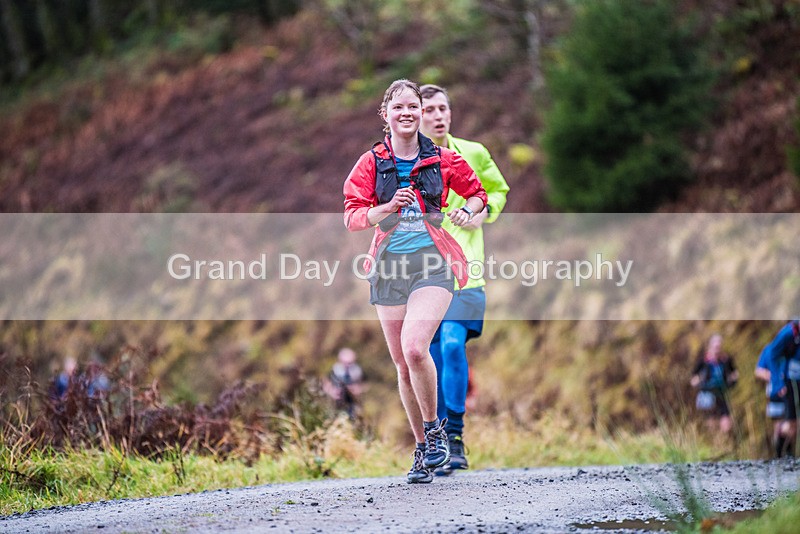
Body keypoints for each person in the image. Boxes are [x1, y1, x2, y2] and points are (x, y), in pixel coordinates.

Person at [343, 79, 487, 484]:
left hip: (432, 265)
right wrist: (386, 207)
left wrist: (468, 211)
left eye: (414, 107)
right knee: (403, 366)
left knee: (415, 347)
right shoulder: (371, 162)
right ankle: (424, 447)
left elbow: (477, 194)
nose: (407, 113)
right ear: (385, 114)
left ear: (421, 114)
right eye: (399, 107)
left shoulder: (441, 158)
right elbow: (352, 216)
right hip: (388, 268)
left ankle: (438, 432)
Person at [419, 84, 510, 475]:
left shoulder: (473, 152)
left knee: (454, 345)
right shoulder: (405, 161)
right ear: (415, 117)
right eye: (429, 110)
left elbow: (497, 190)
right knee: (430, 356)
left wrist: (481, 213)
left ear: (450, 113)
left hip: (467, 270)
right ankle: (436, 440)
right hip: (421, 271)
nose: (438, 116)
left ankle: (454, 436)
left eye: (443, 108)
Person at [762, 320, 800, 457]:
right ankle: (781, 453)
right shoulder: (788, 333)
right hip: (789, 382)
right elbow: (771, 356)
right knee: (790, 422)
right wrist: (778, 383)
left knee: (795, 424)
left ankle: (787, 454)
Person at [690, 334, 739, 435]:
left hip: (721, 393)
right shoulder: (703, 361)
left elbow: (734, 372)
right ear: (710, 346)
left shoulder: (726, 360)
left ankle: (724, 442)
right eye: (715, 346)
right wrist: (697, 381)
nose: (717, 349)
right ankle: (714, 444)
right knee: (711, 422)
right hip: (706, 394)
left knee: (726, 423)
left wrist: (733, 380)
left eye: (719, 346)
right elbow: (693, 377)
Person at [755, 345, 791, 457]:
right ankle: (779, 454)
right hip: (775, 392)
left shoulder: (793, 348)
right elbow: (758, 371)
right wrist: (774, 376)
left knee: (791, 422)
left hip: (792, 390)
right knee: (778, 423)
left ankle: (789, 452)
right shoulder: (770, 349)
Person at [323, 347, 365, 420]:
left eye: (350, 362)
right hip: (336, 401)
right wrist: (332, 392)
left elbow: (362, 386)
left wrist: (355, 390)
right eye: (345, 362)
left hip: (351, 401)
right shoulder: (335, 370)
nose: (347, 365)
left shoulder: (357, 371)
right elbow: (326, 384)